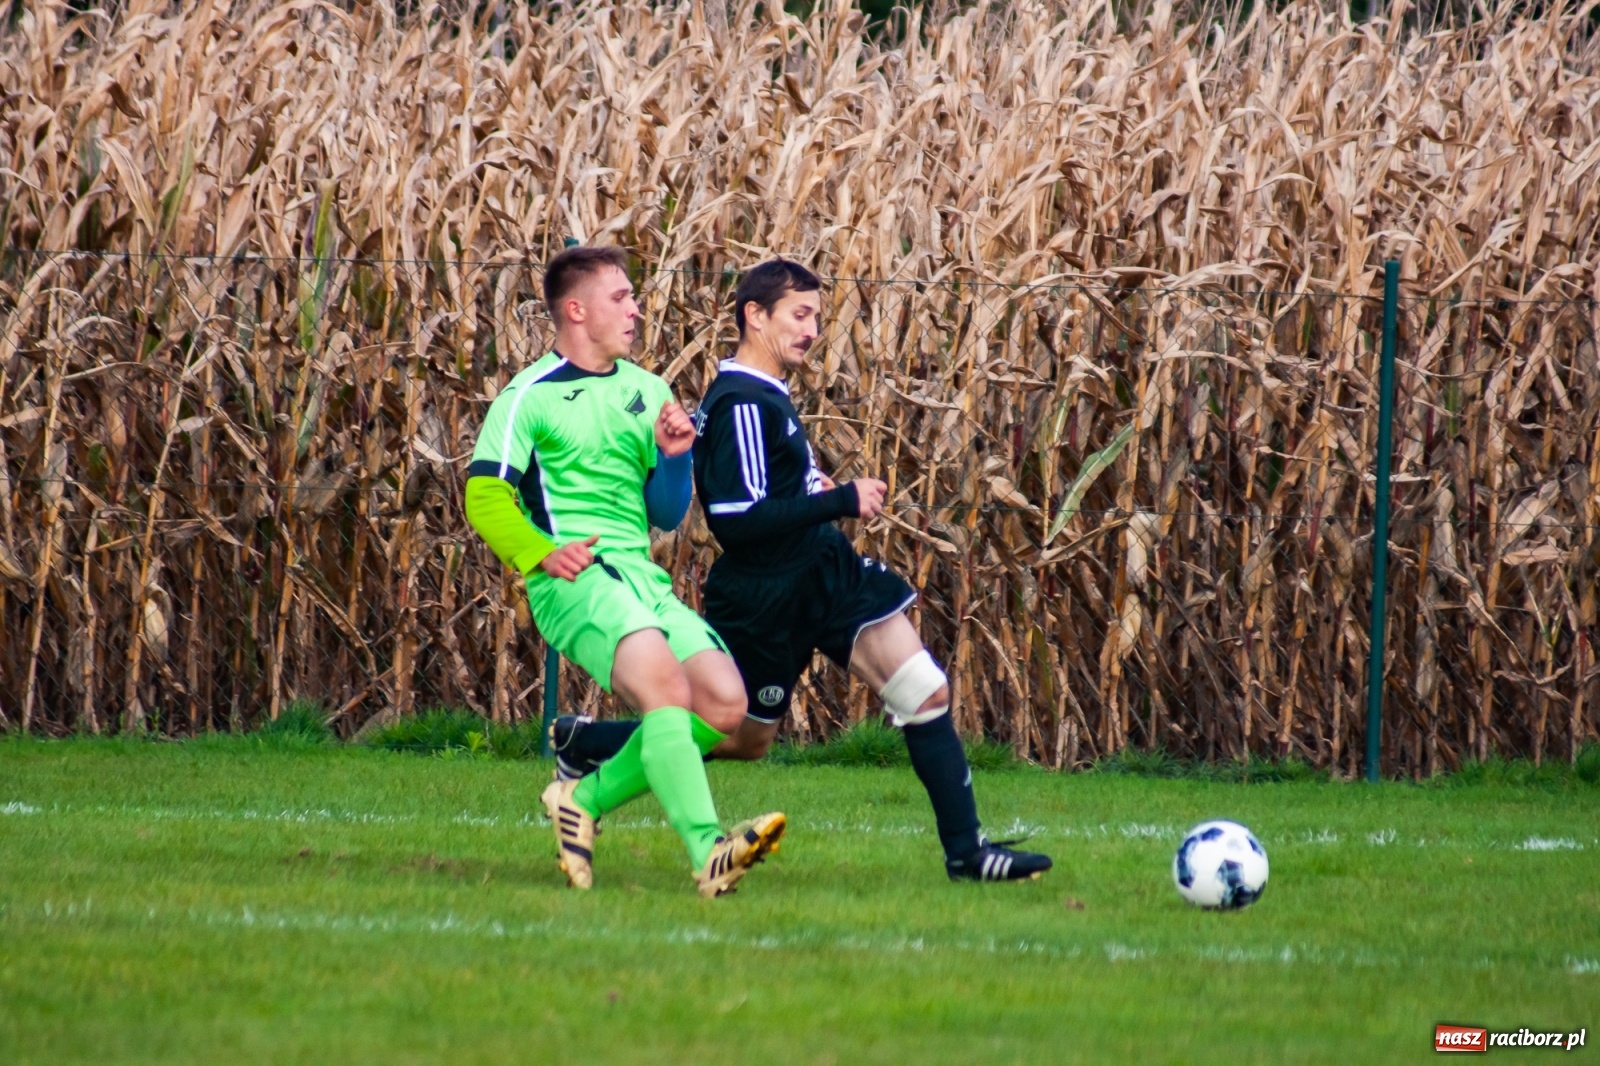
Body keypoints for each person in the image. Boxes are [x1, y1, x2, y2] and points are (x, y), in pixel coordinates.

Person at [553, 259, 1051, 883]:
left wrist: (820, 493)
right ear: (755, 316)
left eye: (817, 316)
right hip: (764, 597)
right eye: (800, 314)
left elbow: (779, 493)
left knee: (924, 691)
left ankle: (967, 854)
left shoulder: (768, 393)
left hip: (824, 572)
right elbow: (737, 521)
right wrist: (839, 499)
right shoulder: (739, 401)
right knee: (739, 736)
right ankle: (585, 745)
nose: (813, 330)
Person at [464, 244, 784, 898]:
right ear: (576, 310)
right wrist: (540, 551)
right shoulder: (528, 397)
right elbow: (484, 496)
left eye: (633, 296)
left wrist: (674, 457)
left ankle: (582, 798)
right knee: (665, 688)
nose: (636, 309)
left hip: (642, 580)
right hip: (574, 582)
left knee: (726, 704)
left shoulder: (648, 390)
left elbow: (664, 513)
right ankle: (709, 851)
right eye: (621, 297)